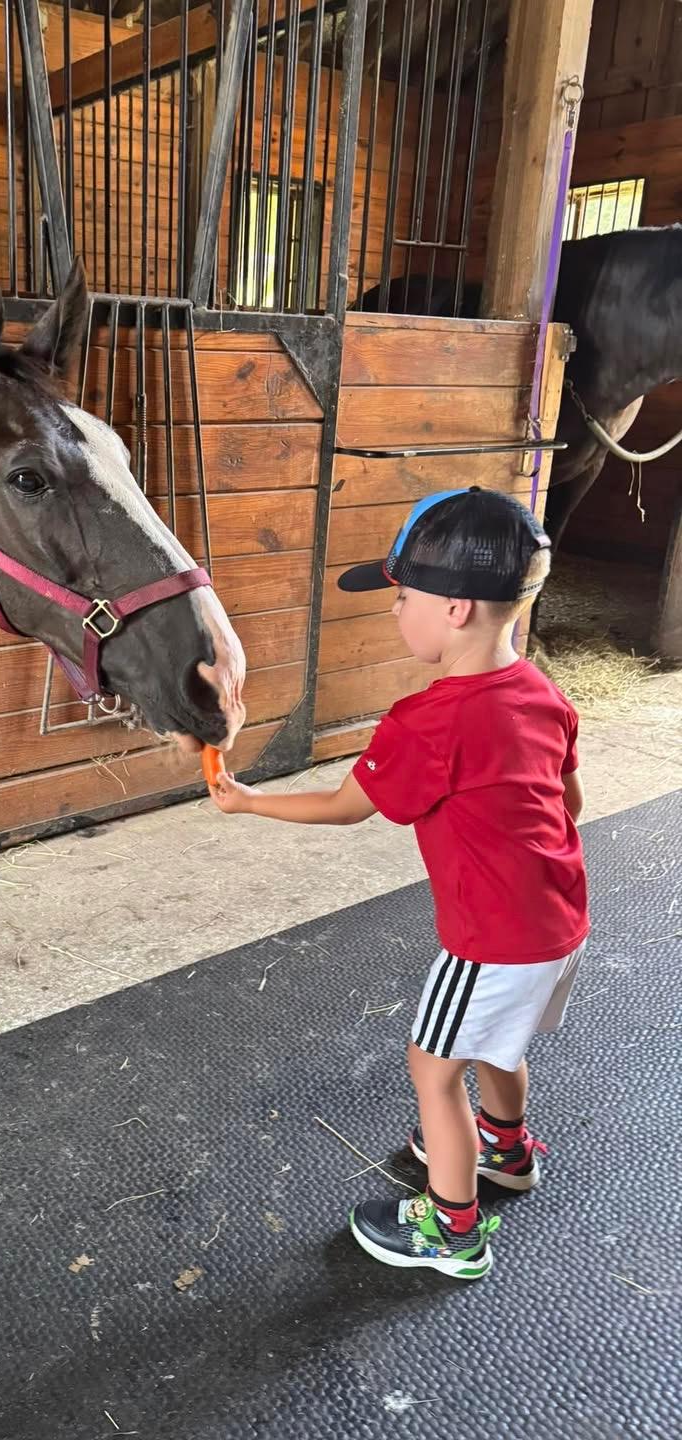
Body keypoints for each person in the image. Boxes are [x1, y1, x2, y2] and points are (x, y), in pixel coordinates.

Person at [210, 488, 589, 1280]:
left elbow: (348, 808)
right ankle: (507, 1152)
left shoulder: (429, 720)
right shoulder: (544, 694)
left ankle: (452, 1230)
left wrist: (250, 802)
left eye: (403, 596)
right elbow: (569, 803)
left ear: (454, 610)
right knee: (496, 1043)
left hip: (491, 940)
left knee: (431, 1065)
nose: (395, 613)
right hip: (558, 924)